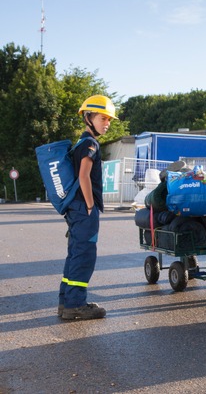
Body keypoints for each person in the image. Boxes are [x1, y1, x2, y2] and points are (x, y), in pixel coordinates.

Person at [59, 95, 117, 320]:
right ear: (88, 117)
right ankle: (76, 305)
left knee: (74, 253)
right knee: (84, 255)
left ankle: (65, 302)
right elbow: (84, 176)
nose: (107, 123)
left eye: (109, 119)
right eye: (103, 118)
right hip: (84, 208)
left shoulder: (81, 143)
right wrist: (91, 205)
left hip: (76, 208)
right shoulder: (90, 144)